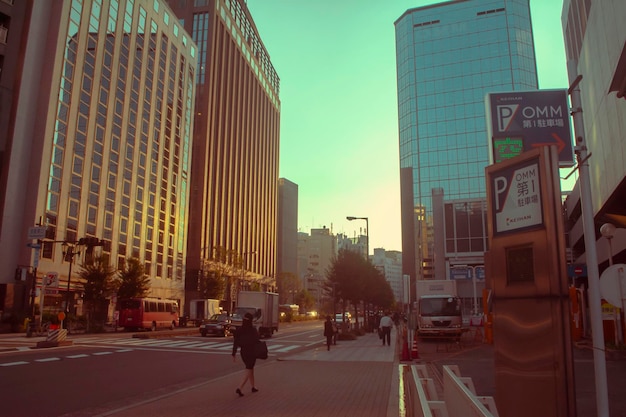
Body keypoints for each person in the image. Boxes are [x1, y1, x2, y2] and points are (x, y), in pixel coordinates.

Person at [232, 312, 260, 396]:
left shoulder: (239, 330)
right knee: (249, 368)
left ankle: (253, 386)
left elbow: (235, 342)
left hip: (243, 352)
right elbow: (257, 340)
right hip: (252, 352)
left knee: (250, 368)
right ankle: (240, 387)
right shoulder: (253, 329)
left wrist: (233, 354)